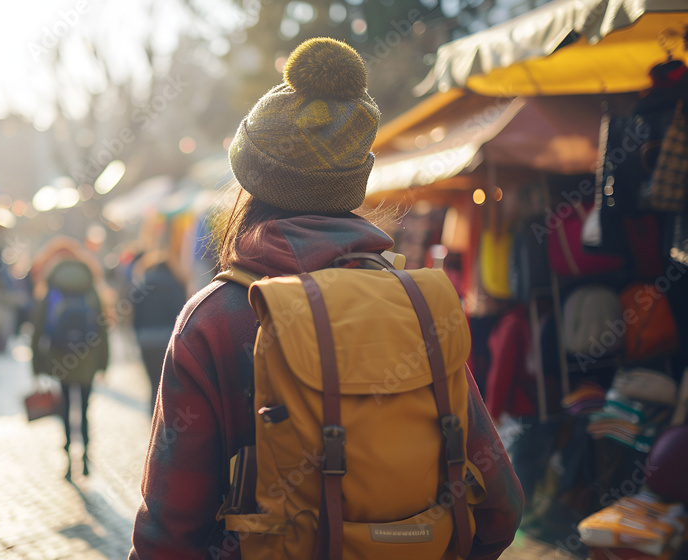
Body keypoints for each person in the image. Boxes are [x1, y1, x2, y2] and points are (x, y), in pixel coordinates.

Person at [129, 37, 523, 559]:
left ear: (250, 184)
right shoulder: (419, 306)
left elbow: (169, 532)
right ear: (352, 186)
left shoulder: (215, 320)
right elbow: (501, 506)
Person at [30, 240, 110, 480]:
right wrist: (104, 362)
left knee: (64, 407)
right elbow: (103, 328)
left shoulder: (52, 289)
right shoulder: (90, 287)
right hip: (87, 358)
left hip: (61, 357)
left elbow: (38, 328)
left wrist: (37, 364)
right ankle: (86, 456)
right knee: (84, 409)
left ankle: (68, 458)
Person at [131, 250, 187, 409]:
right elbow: (181, 314)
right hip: (168, 340)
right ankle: (169, 426)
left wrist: (138, 337)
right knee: (170, 386)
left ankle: (154, 426)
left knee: (153, 385)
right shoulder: (177, 284)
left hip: (146, 340)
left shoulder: (142, 285)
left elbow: (136, 318)